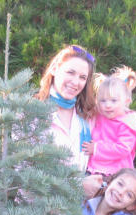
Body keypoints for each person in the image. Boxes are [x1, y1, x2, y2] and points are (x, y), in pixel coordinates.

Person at [36, 44, 103, 198]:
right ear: (54, 69)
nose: (75, 82)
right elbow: (25, 174)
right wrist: (78, 185)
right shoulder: (31, 113)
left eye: (82, 77)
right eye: (70, 72)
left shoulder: (84, 120)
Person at [83, 66, 136, 177]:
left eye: (114, 100)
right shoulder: (100, 114)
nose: (108, 105)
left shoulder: (127, 124)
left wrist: (96, 148)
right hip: (93, 168)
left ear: (126, 101)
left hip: (115, 173)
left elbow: (123, 148)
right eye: (103, 101)